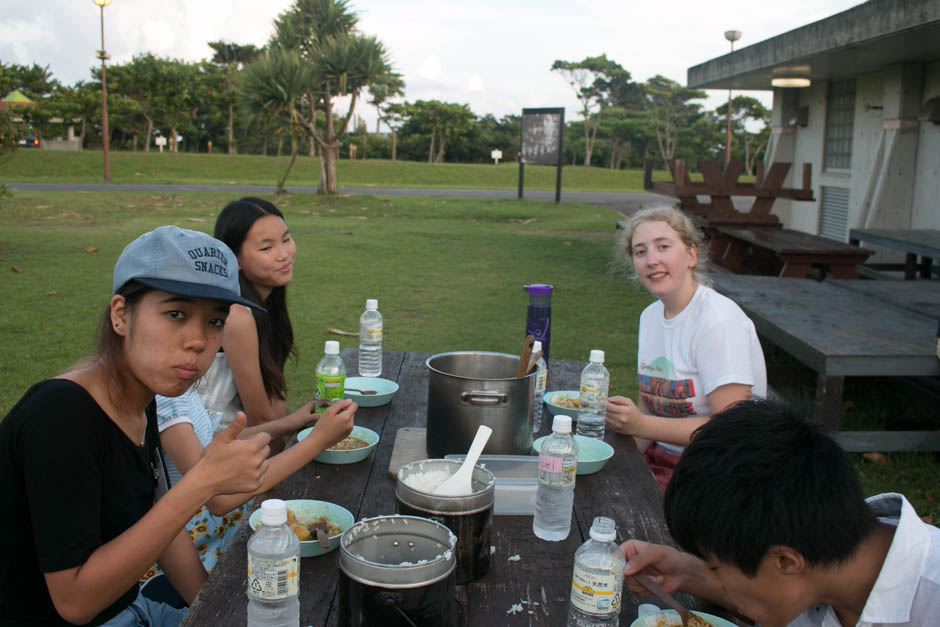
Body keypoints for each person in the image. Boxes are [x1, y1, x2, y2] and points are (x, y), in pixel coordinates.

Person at [0, 226, 273, 626]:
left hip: (131, 608)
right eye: (176, 314)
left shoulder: (140, 399)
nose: (198, 340)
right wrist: (203, 481)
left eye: (215, 322)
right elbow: (74, 602)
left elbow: (156, 520)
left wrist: (211, 610)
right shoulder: (60, 417)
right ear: (121, 315)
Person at [620, 398, 940, 627]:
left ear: (786, 560)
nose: (713, 576)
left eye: (716, 567)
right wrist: (685, 571)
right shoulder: (823, 554)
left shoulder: (931, 597)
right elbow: (774, 591)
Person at [606, 205, 766, 489]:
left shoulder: (718, 322)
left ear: (691, 254)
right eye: (640, 252)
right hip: (664, 458)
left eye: (663, 246)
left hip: (721, 470)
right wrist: (620, 461)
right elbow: (652, 402)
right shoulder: (651, 317)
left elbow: (731, 429)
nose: (652, 260)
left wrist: (640, 425)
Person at [152, 385, 355, 576]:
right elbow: (218, 498)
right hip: (198, 542)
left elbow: (206, 443)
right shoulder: (168, 398)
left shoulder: (183, 391)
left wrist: (287, 423)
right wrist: (317, 441)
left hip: (216, 523)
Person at [197, 197, 308, 432]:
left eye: (286, 240)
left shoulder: (266, 304)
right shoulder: (235, 315)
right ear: (234, 259)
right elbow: (261, 418)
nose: (284, 254)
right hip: (209, 444)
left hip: (243, 436)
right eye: (267, 248)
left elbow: (273, 400)